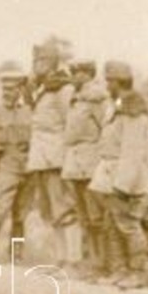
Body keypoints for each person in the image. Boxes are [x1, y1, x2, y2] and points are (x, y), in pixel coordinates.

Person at [91, 61, 148, 290]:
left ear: (117, 82)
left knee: (128, 225)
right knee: (111, 224)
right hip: (109, 173)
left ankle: (137, 272)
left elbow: (132, 152)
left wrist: (123, 184)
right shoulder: (118, 106)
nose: (106, 86)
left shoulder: (132, 112)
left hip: (123, 177)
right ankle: (119, 270)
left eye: (109, 81)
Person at [24, 46, 81, 266]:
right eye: (35, 60)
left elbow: (71, 125)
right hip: (41, 157)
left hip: (56, 157)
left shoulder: (62, 90)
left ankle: (74, 257)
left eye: (41, 61)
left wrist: (66, 155)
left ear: (52, 63)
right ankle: (61, 257)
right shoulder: (41, 89)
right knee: (49, 210)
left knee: (64, 207)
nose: (36, 65)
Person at [61, 60, 111, 275]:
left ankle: (101, 263)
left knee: (95, 215)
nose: (72, 76)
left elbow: (105, 129)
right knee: (83, 215)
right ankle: (90, 260)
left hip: (91, 160)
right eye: (72, 72)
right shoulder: (76, 98)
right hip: (76, 161)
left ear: (88, 74)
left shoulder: (96, 98)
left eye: (76, 72)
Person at [0, 70, 34, 261]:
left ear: (21, 89)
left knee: (21, 215)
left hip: (28, 170)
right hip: (4, 168)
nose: (7, 92)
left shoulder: (30, 111)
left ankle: (15, 256)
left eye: (11, 89)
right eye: (4, 88)